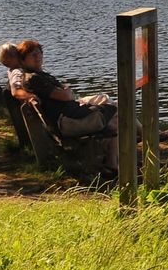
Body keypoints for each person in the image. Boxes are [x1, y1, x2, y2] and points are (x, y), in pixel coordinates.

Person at [10, 39, 119, 172]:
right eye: (32, 55)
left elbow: (66, 93)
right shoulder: (33, 79)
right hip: (68, 124)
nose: (37, 57)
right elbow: (66, 95)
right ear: (23, 60)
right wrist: (66, 92)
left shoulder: (40, 76)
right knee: (118, 114)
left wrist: (67, 93)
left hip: (70, 117)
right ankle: (136, 146)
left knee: (115, 115)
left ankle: (112, 163)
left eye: (39, 53)